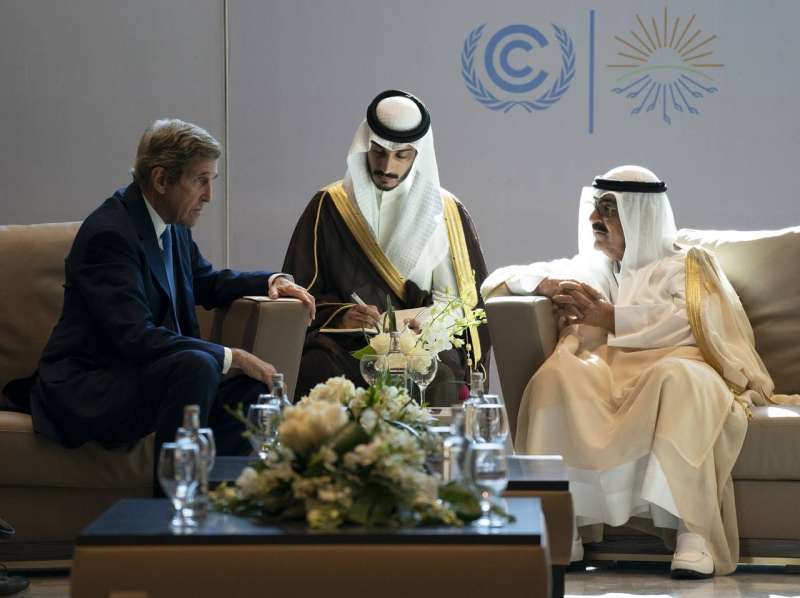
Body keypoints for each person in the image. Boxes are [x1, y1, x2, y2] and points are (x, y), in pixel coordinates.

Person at [481, 165, 799, 578]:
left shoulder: (687, 264)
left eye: (608, 210)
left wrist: (610, 316)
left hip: (682, 362)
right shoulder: (594, 268)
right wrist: (546, 285)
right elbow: (498, 280)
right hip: (608, 369)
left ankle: (694, 534)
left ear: (640, 216)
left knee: (679, 380)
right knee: (555, 378)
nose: (595, 219)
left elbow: (696, 322)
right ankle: (561, 527)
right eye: (595, 208)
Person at [12, 119, 315, 476]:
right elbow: (134, 336)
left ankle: (219, 497)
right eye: (200, 180)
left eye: (211, 181)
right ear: (160, 179)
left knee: (253, 389)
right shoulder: (109, 235)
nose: (209, 195)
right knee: (198, 365)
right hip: (93, 385)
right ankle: (173, 503)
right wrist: (233, 356)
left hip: (148, 376)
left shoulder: (172, 224)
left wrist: (272, 280)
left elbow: (206, 282)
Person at [283, 90, 489, 404]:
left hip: (419, 343)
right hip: (345, 345)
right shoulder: (330, 205)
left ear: (418, 154)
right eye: (378, 152)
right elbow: (300, 291)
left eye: (401, 155)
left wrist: (424, 325)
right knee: (318, 366)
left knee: (439, 377)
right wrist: (341, 315)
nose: (386, 166)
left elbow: (458, 301)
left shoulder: (445, 211)